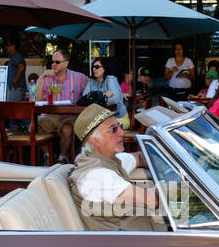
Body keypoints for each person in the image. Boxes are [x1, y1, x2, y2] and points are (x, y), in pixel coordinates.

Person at [68, 103, 159, 231]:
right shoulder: (96, 176)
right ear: (95, 141)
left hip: (142, 234)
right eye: (113, 129)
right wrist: (184, 184)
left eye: (119, 126)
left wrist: (167, 163)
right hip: (126, 245)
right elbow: (151, 200)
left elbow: (139, 158)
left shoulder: (107, 159)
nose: (122, 132)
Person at [37, 48, 87, 161]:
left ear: (66, 63)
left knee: (67, 129)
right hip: (50, 115)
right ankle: (48, 156)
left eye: (57, 62)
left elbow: (91, 90)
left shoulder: (79, 78)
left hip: (70, 115)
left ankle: (62, 158)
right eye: (52, 61)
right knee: (35, 126)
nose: (54, 64)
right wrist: (43, 78)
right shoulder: (46, 77)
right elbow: (38, 100)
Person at [85, 57, 129, 128]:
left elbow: (115, 99)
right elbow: (85, 99)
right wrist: (103, 96)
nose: (94, 69)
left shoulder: (110, 79)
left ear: (105, 68)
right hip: (100, 119)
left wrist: (95, 99)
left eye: (97, 67)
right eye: (93, 67)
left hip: (118, 118)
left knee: (99, 128)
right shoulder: (91, 81)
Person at [5, 36, 27, 102]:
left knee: (12, 110)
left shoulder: (16, 55)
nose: (6, 47)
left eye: (8, 45)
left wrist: (15, 81)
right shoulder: (15, 56)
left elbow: (21, 68)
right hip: (16, 88)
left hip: (16, 88)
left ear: (13, 46)